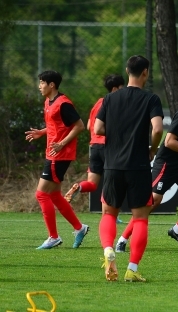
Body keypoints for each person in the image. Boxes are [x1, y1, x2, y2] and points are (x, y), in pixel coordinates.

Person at [115, 81, 178, 252]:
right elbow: (168, 142)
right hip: (166, 164)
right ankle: (123, 240)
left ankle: (177, 230)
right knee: (151, 203)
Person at [94, 55, 164, 282]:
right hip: (139, 165)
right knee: (141, 218)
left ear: (127, 70)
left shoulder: (110, 99)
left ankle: (108, 250)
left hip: (113, 165)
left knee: (108, 213)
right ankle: (132, 269)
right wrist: (151, 148)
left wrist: (117, 134)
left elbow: (98, 128)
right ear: (146, 73)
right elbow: (157, 129)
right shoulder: (151, 99)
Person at [25, 70, 89, 249]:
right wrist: (41, 132)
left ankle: (53, 237)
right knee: (53, 195)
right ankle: (79, 228)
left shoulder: (63, 104)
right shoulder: (48, 102)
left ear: (51, 84)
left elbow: (79, 126)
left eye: (41, 83)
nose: (39, 86)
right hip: (53, 153)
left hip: (59, 155)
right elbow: (55, 125)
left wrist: (61, 143)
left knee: (41, 194)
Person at [64, 75, 124, 217]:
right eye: (122, 88)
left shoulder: (98, 103)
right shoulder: (115, 103)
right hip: (109, 146)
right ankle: (109, 216)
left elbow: (90, 125)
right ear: (115, 89)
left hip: (95, 147)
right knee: (112, 182)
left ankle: (79, 186)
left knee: (92, 184)